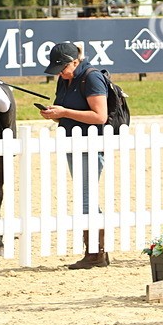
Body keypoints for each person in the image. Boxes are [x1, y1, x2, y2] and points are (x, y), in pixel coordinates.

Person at [39, 41, 110, 269]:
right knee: (84, 196)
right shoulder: (65, 79)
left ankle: (94, 254)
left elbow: (100, 116)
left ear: (75, 61)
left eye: (62, 68)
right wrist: (54, 114)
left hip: (91, 143)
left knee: (86, 199)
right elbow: (64, 111)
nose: (59, 73)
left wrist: (65, 112)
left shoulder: (91, 78)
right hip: (73, 142)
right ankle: (98, 252)